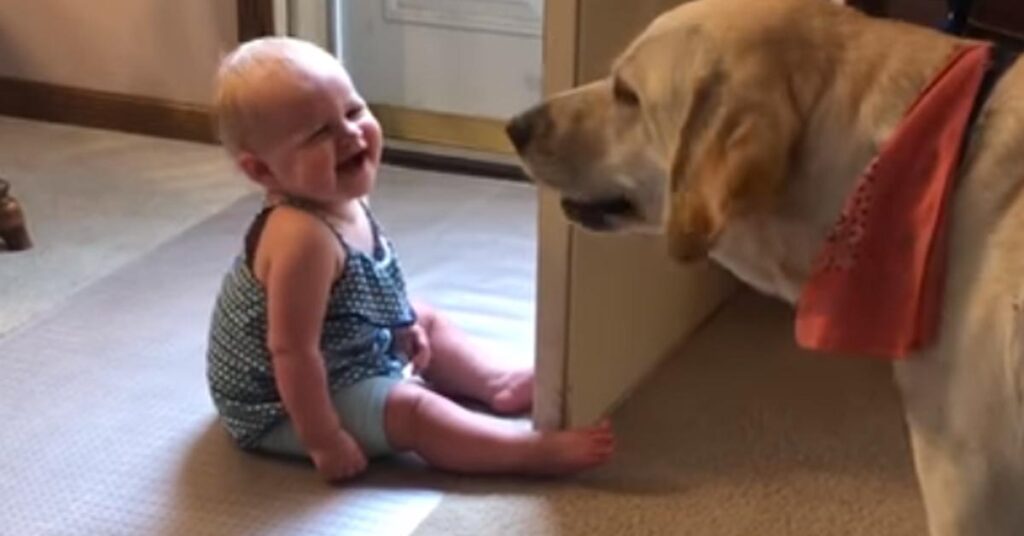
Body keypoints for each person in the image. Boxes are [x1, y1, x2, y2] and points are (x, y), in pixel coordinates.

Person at [206, 37, 614, 482]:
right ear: (262, 171)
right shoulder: (300, 238)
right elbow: (292, 353)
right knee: (415, 411)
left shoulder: (337, 197)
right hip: (283, 402)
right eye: (318, 133)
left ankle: (495, 382)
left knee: (428, 319)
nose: (349, 135)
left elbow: (375, 287)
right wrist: (325, 439)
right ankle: (528, 453)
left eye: (353, 111)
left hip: (343, 349)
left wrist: (402, 325)